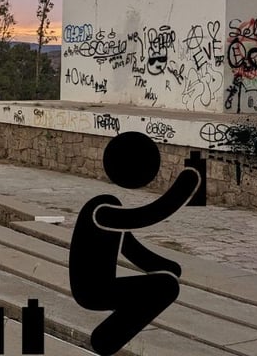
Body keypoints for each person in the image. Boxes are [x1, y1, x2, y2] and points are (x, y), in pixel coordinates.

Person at [69, 131, 202, 355]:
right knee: (166, 287)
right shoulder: (100, 212)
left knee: (165, 282)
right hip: (91, 290)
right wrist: (185, 187)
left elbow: (131, 249)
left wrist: (166, 266)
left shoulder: (109, 214)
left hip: (98, 287)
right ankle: (105, 340)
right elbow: (147, 215)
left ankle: (106, 339)